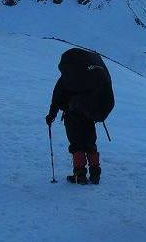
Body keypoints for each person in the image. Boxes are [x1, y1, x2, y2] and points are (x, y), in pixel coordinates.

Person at [45, 48, 114, 185]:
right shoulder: (90, 77)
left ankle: (80, 175)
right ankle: (95, 174)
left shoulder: (67, 78)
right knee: (90, 143)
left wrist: (51, 116)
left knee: (76, 144)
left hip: (72, 115)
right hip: (89, 113)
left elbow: (57, 99)